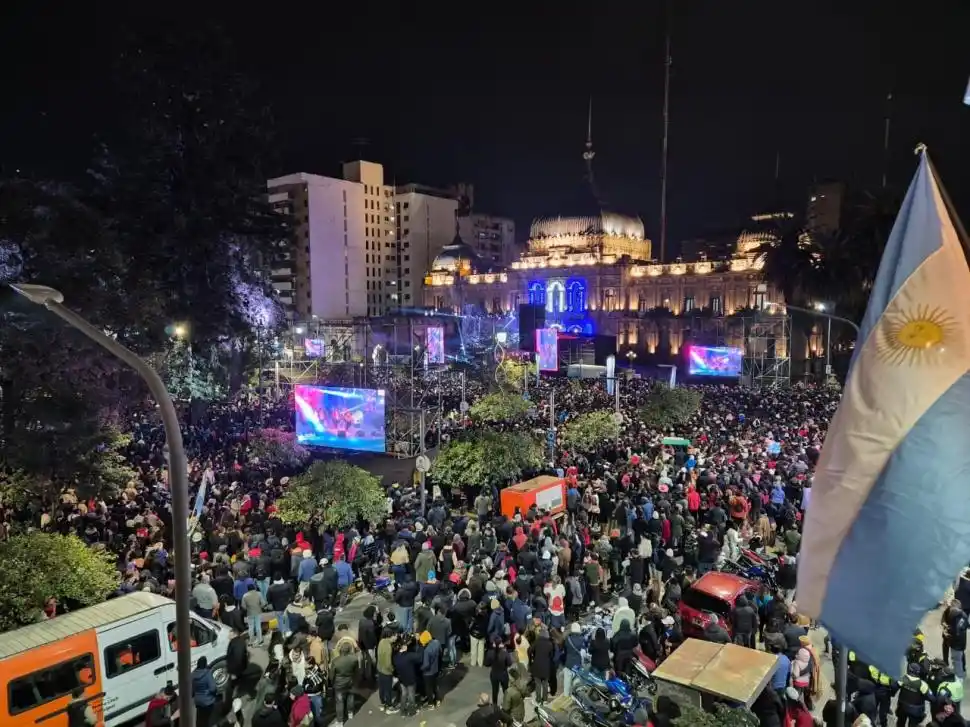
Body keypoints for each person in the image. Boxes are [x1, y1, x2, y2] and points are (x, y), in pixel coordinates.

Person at [331, 642, 359, 727]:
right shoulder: (354, 659)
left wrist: (332, 682)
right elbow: (356, 671)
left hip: (339, 684)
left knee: (340, 702)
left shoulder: (335, 661)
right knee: (350, 697)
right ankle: (350, 713)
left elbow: (331, 675)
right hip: (350, 681)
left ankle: (340, 721)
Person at [192, 656, 219, 727]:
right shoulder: (207, 674)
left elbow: (191, 690)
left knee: (201, 719)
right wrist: (212, 694)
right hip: (208, 701)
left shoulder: (192, 675)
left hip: (198, 702)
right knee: (211, 719)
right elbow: (213, 688)